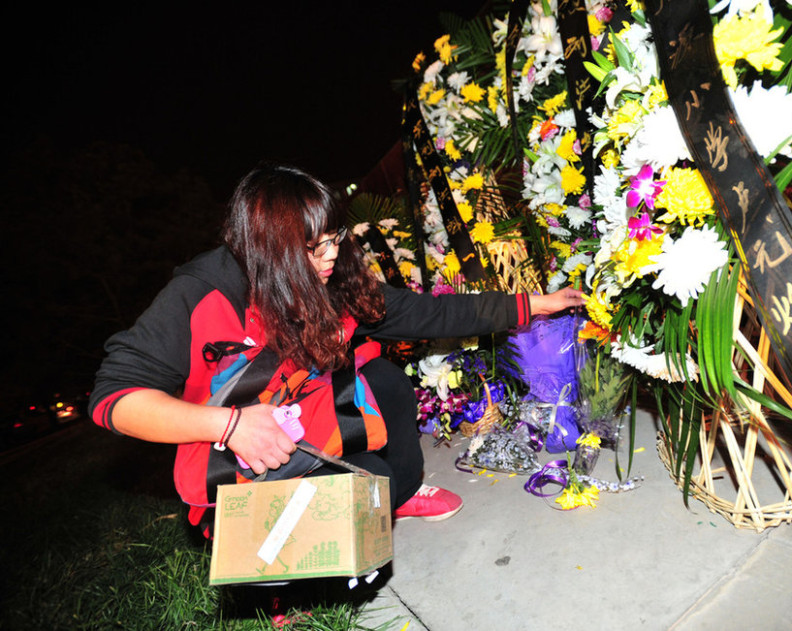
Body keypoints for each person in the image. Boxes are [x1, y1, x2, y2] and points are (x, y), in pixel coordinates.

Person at [89, 163, 585, 537]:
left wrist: (535, 304)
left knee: (386, 392)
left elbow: (426, 315)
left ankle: (400, 496)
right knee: (361, 500)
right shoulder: (203, 294)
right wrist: (231, 424)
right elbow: (114, 398)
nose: (330, 255)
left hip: (307, 422)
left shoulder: (331, 274)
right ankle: (275, 573)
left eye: (334, 238)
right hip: (235, 461)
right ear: (270, 251)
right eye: (313, 247)